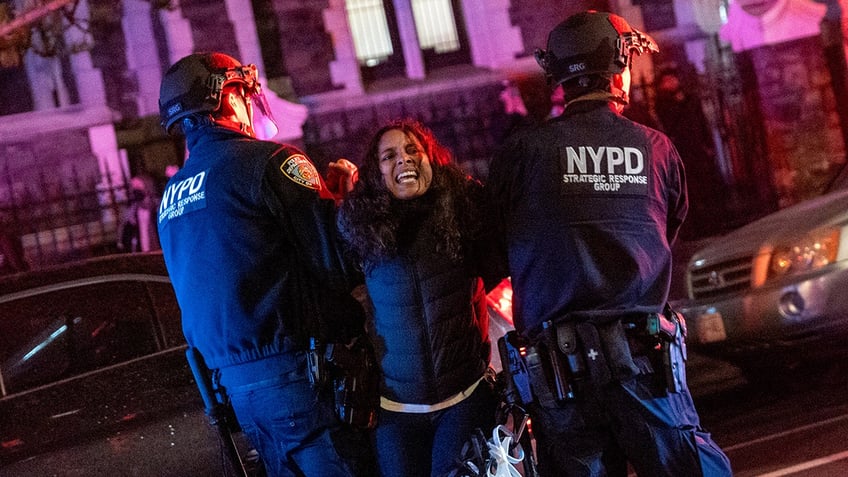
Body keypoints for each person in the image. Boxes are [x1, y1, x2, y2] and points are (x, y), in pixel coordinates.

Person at [485, 11, 733, 476]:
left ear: (559, 76)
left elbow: (495, 247)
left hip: (559, 380)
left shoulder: (522, 154)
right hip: (645, 369)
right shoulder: (657, 149)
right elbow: (667, 231)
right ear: (619, 66)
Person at [156, 52, 371, 477]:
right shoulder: (270, 163)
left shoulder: (170, 197)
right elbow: (340, 264)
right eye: (244, 93)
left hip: (238, 392)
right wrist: (344, 202)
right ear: (228, 99)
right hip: (299, 376)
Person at [337, 119, 503, 477]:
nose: (404, 160)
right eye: (389, 155)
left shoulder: (464, 213)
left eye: (414, 150)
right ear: (375, 171)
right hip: (396, 413)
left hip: (464, 401)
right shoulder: (360, 230)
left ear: (431, 158)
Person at [654, 64, 726, 239]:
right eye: (667, 81)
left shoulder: (690, 99)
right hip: (681, 154)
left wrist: (708, 144)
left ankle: (714, 223)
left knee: (706, 189)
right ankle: (695, 229)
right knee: (688, 192)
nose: (671, 83)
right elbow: (668, 125)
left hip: (697, 151)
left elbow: (701, 122)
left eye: (673, 79)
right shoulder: (663, 104)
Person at [117, 175, 160, 253]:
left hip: (159, 249)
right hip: (142, 251)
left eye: (138, 186)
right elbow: (125, 233)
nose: (135, 189)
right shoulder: (132, 211)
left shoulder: (158, 207)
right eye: (133, 187)